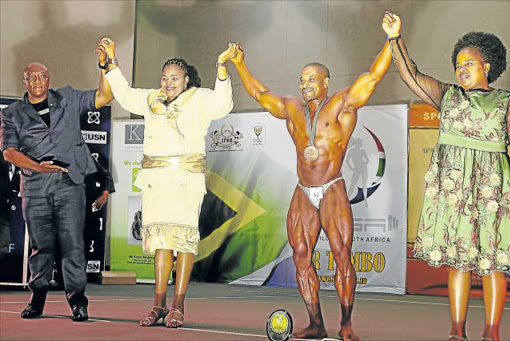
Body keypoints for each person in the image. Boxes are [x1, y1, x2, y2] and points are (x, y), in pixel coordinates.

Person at [229, 23, 392, 340]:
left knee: (341, 253)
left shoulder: (342, 105)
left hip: (332, 187)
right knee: (301, 254)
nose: (305, 84)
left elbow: (372, 77)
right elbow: (259, 94)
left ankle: (346, 323)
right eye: (302, 79)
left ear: (326, 82)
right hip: (303, 191)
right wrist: (239, 64)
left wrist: (391, 40)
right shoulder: (292, 108)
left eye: (311, 79)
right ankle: (316, 323)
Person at [383, 12, 510, 341]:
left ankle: (492, 333)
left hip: (491, 193)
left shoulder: (505, 103)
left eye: (469, 62)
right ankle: (456, 332)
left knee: (493, 263)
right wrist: (396, 39)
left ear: (488, 66)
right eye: (458, 64)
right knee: (460, 261)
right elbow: (410, 75)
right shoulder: (447, 96)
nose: (461, 68)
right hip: (455, 192)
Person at [99, 37, 235, 328]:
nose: (168, 82)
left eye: (174, 78)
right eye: (164, 77)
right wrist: (112, 59)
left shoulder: (199, 98)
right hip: (156, 181)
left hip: (186, 180)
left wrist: (221, 65)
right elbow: (123, 93)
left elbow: (223, 104)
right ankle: (158, 304)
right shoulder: (151, 99)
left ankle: (179, 305)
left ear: (186, 80)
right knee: (161, 243)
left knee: (183, 242)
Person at [0, 47, 113, 321]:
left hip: (69, 183)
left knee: (73, 243)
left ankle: (77, 301)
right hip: (35, 186)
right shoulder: (12, 113)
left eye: (42, 76)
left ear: (49, 79)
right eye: (31, 77)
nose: (37, 81)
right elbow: (8, 151)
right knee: (41, 245)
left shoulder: (68, 98)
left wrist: (104, 66)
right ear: (24, 81)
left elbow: (105, 95)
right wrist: (37, 166)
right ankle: (37, 297)